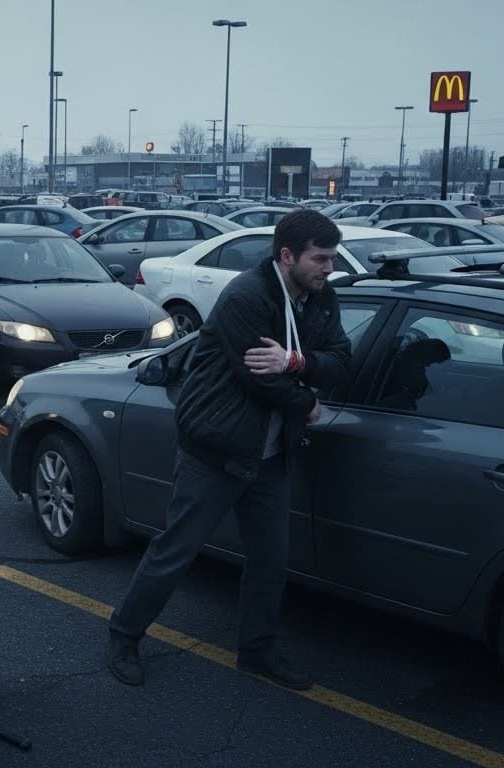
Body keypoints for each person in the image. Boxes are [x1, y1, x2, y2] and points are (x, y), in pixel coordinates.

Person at [106, 209, 351, 691]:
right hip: (216, 448)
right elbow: (259, 380)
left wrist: (297, 361)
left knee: (269, 558)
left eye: (331, 257)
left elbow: (342, 363)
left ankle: (257, 651)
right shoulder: (246, 295)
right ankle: (123, 636)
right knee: (176, 550)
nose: (328, 267)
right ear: (287, 256)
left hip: (270, 455)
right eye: (320, 258)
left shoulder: (322, 300)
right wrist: (306, 401)